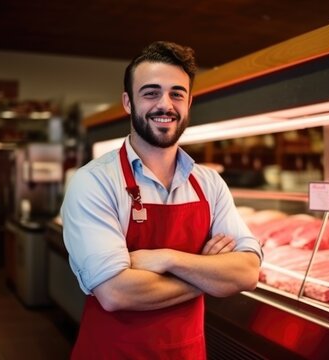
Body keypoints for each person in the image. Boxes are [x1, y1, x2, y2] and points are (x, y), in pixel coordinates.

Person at [61, 41, 262, 359]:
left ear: (189, 101)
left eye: (176, 94)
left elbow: (248, 272)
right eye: (151, 92)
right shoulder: (94, 181)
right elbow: (115, 292)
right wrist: (208, 276)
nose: (165, 104)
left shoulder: (209, 183)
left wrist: (168, 259)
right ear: (128, 102)